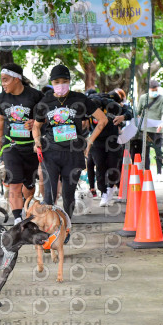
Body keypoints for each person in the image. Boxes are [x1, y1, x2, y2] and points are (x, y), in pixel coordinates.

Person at [33, 64, 109, 218]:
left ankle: (66, 226)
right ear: (52, 83)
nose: (60, 85)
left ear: (69, 81)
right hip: (50, 153)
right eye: (56, 82)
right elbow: (36, 126)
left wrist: (90, 141)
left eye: (64, 81)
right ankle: (51, 228)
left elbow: (103, 119)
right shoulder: (45, 102)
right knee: (49, 195)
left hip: (73, 154)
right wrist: (36, 140)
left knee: (68, 196)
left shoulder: (80, 99)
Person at [0, 63, 44, 225]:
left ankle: (25, 206)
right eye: (2, 80)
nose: (3, 83)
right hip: (11, 146)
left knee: (29, 185)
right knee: (14, 183)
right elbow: (0, 122)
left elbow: (46, 119)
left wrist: (35, 123)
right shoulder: (2, 98)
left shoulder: (35, 96)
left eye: (6, 80)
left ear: (17, 79)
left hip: (31, 147)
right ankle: (18, 219)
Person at [87, 92, 122, 206]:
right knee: (100, 167)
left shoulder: (111, 107)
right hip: (97, 142)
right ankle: (104, 193)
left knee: (112, 166)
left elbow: (126, 112)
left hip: (112, 141)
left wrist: (122, 118)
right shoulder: (87, 108)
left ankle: (111, 187)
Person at [134, 79, 163, 175]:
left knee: (158, 152)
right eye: (152, 90)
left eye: (156, 90)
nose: (154, 92)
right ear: (148, 89)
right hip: (145, 130)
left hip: (158, 130)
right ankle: (147, 171)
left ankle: (159, 173)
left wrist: (162, 122)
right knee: (145, 152)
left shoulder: (162, 99)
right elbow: (138, 112)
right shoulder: (143, 98)